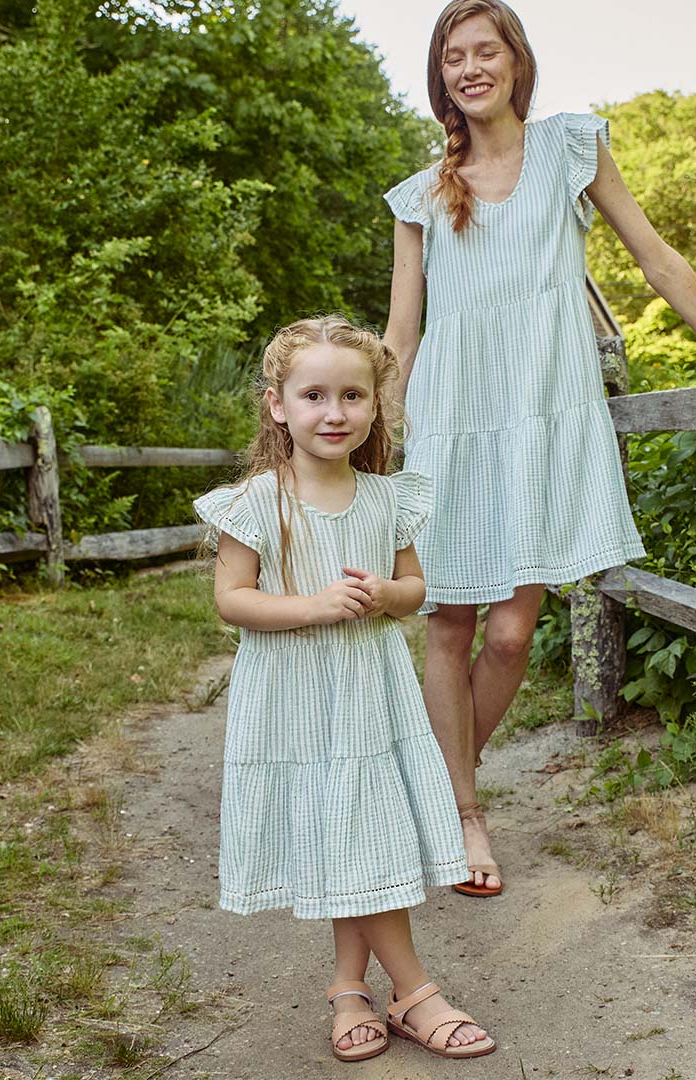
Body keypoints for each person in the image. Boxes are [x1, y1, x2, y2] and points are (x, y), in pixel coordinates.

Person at [383, 0, 696, 899]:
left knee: (510, 634)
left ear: (515, 61)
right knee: (450, 626)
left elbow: (656, 258)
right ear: (440, 77)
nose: (469, 68)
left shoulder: (573, 147)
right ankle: (463, 814)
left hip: (543, 421)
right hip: (450, 425)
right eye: (452, 56)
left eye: (484, 51)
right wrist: (371, 453)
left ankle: (433, 779)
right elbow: (401, 338)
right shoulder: (422, 195)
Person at [193, 316, 496, 1061]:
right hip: (295, 697)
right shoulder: (259, 501)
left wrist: (392, 596)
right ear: (277, 404)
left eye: (353, 395)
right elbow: (232, 599)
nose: (335, 413)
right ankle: (415, 991)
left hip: (370, 691)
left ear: (375, 407)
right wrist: (312, 607)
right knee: (346, 832)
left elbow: (417, 585)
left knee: (359, 830)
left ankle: (349, 989)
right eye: (315, 395)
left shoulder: (387, 497)